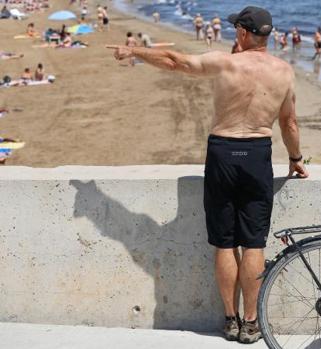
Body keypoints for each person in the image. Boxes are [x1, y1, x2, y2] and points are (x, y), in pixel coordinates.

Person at [106, 5, 308, 344]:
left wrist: (133, 50)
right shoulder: (284, 71)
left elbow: (175, 60)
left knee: (225, 242)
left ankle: (229, 320)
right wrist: (296, 158)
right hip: (258, 155)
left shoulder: (225, 62)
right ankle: (251, 321)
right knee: (253, 242)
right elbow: (289, 123)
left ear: (244, 33)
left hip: (223, 153)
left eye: (236, 31)